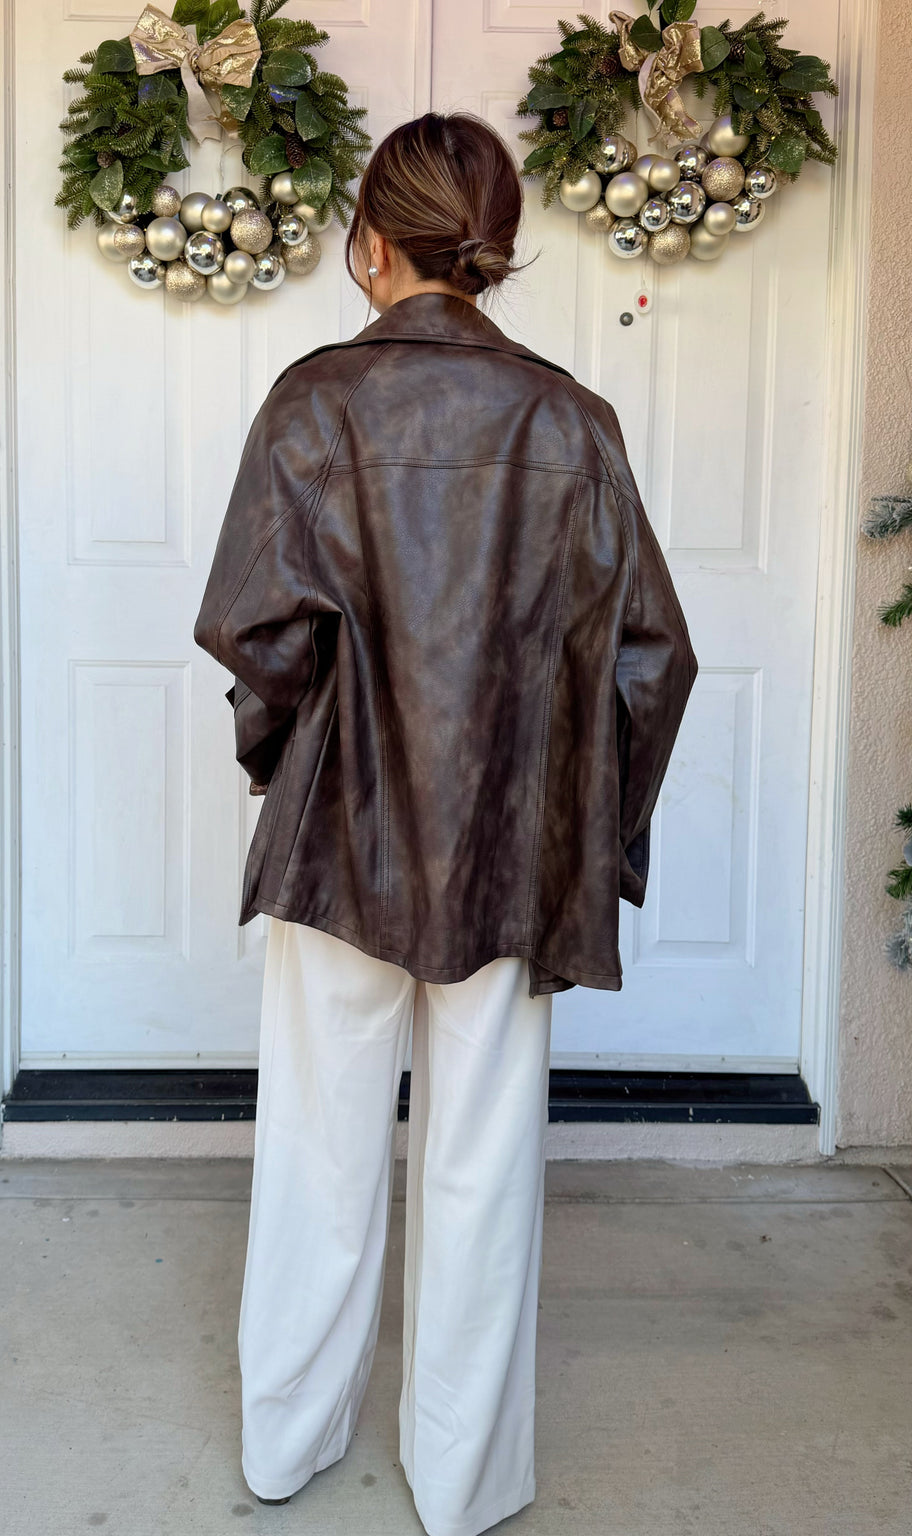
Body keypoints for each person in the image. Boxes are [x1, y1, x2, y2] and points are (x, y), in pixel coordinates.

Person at [194, 111, 698, 1536]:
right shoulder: (572, 423)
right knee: (483, 1164)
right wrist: (592, 837)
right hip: (510, 851)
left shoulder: (314, 404)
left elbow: (256, 635)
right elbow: (652, 661)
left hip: (341, 840)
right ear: (494, 245)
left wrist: (282, 767)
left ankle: (285, 1448)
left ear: (371, 241)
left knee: (318, 1153)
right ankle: (465, 1484)